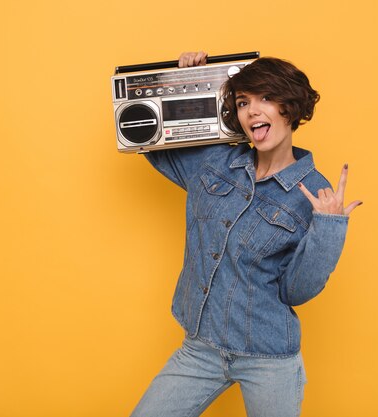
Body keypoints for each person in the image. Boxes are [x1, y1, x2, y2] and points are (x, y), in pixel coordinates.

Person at [130, 51, 362, 417]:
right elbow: (151, 142)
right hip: (201, 347)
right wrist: (184, 86)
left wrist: (329, 229)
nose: (253, 110)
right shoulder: (215, 162)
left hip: (267, 354)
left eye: (266, 99)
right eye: (243, 102)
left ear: (291, 109)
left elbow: (296, 291)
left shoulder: (315, 193)